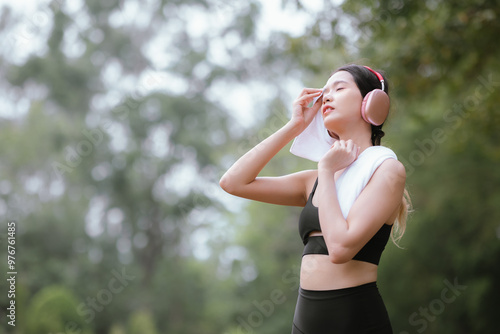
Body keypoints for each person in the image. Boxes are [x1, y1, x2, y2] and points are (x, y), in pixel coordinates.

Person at [219, 64, 410, 334]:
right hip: (304, 322)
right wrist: (294, 125)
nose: (327, 97)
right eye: (324, 92)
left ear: (372, 102)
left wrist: (328, 170)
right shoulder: (316, 179)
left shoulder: (387, 170)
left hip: (355, 319)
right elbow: (233, 182)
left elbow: (341, 249)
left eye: (339, 88)